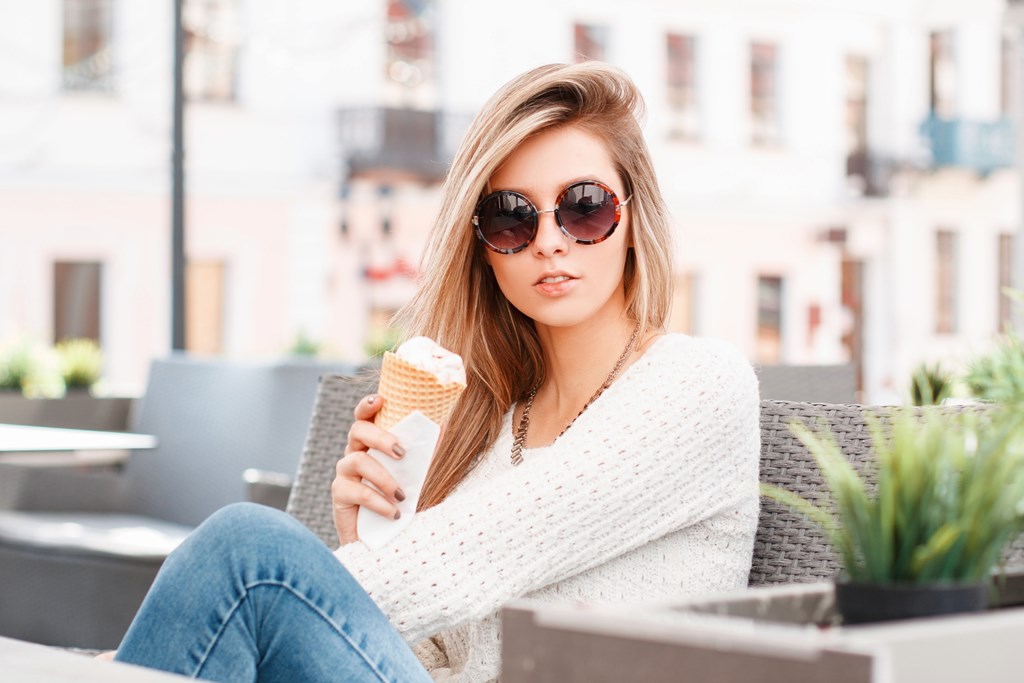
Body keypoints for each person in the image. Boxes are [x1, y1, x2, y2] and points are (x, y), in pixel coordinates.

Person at [109, 61, 760, 682]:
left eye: (583, 206)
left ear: (632, 215)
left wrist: (336, 576)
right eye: (512, 217)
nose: (550, 241)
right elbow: (440, 655)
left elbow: (485, 550)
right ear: (482, 247)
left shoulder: (700, 384)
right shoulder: (495, 425)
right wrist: (365, 531)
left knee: (246, 552)